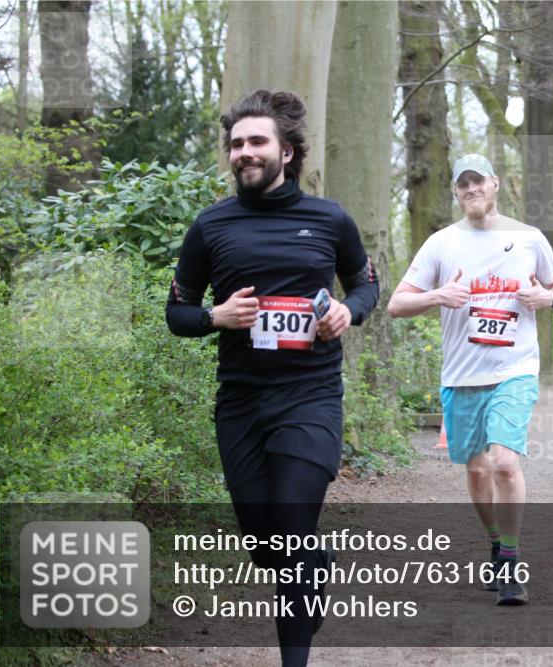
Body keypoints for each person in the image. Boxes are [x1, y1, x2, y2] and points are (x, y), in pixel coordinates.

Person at [166, 90, 379, 667]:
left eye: (256, 142)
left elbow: (366, 285)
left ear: (286, 152)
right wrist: (216, 316)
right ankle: (312, 567)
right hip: (240, 403)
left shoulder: (329, 219)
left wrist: (346, 311)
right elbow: (177, 314)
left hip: (309, 397)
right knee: (267, 546)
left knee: (290, 525)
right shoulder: (210, 226)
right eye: (236, 144)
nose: (243, 152)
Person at [388, 154, 553, 605]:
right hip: (462, 375)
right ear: (456, 192)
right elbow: (396, 303)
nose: (471, 189)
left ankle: (510, 559)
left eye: (478, 182)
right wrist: (437, 296)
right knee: (475, 470)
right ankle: (493, 541)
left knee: (504, 463)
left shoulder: (528, 238)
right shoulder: (441, 244)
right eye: (462, 184)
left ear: (494, 184)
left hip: (515, 370)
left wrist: (547, 297)